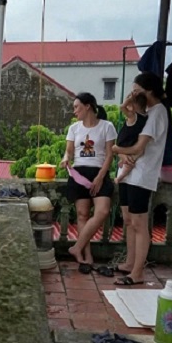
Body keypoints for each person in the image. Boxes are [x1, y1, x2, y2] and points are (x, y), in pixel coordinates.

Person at [111, 72, 169, 286]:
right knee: (128, 220)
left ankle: (137, 272)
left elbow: (139, 147)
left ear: (149, 91)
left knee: (138, 223)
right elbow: (131, 138)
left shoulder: (158, 113)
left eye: (137, 90)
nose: (133, 94)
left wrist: (116, 149)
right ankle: (129, 262)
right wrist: (122, 153)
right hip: (129, 173)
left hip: (142, 174)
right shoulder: (144, 112)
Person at [59, 92, 117, 275]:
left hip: (99, 172)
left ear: (88, 106)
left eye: (77, 107)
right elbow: (69, 151)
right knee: (82, 214)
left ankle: (76, 247)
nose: (74, 110)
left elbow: (109, 154)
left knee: (102, 211)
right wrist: (65, 159)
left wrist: (100, 177)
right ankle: (86, 257)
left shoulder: (107, 126)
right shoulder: (74, 128)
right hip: (79, 172)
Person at [115, 92, 149, 184]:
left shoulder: (133, 116)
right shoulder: (146, 117)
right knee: (130, 158)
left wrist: (129, 99)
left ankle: (120, 177)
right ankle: (122, 161)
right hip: (131, 143)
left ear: (133, 105)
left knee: (129, 162)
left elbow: (122, 107)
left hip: (126, 144)